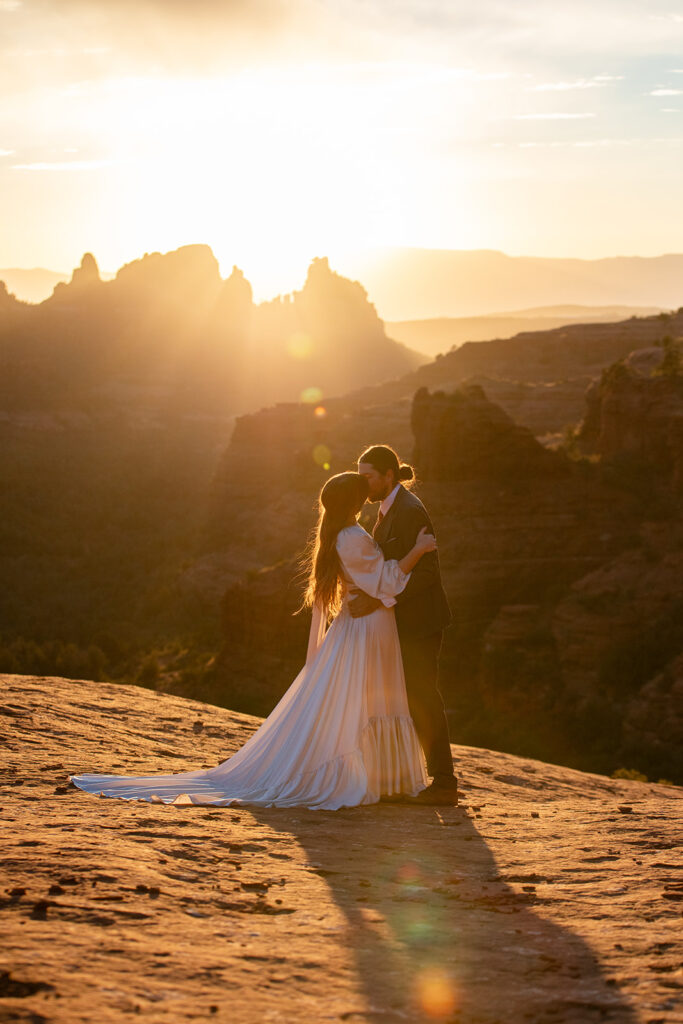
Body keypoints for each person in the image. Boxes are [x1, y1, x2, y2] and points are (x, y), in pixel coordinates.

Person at [69, 472, 436, 810]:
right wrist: (418, 550)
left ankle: (378, 775)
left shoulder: (341, 534)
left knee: (362, 697)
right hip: (367, 627)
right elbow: (386, 580)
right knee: (369, 695)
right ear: (354, 502)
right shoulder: (351, 537)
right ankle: (374, 776)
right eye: (362, 492)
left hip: (363, 621)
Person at [353, 445, 458, 806]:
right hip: (402, 622)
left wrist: (380, 599)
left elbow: (427, 574)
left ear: (388, 476)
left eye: (368, 476)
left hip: (420, 623)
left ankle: (444, 784)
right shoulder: (385, 509)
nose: (362, 483)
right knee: (408, 699)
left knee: (424, 698)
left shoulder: (410, 510)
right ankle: (405, 778)